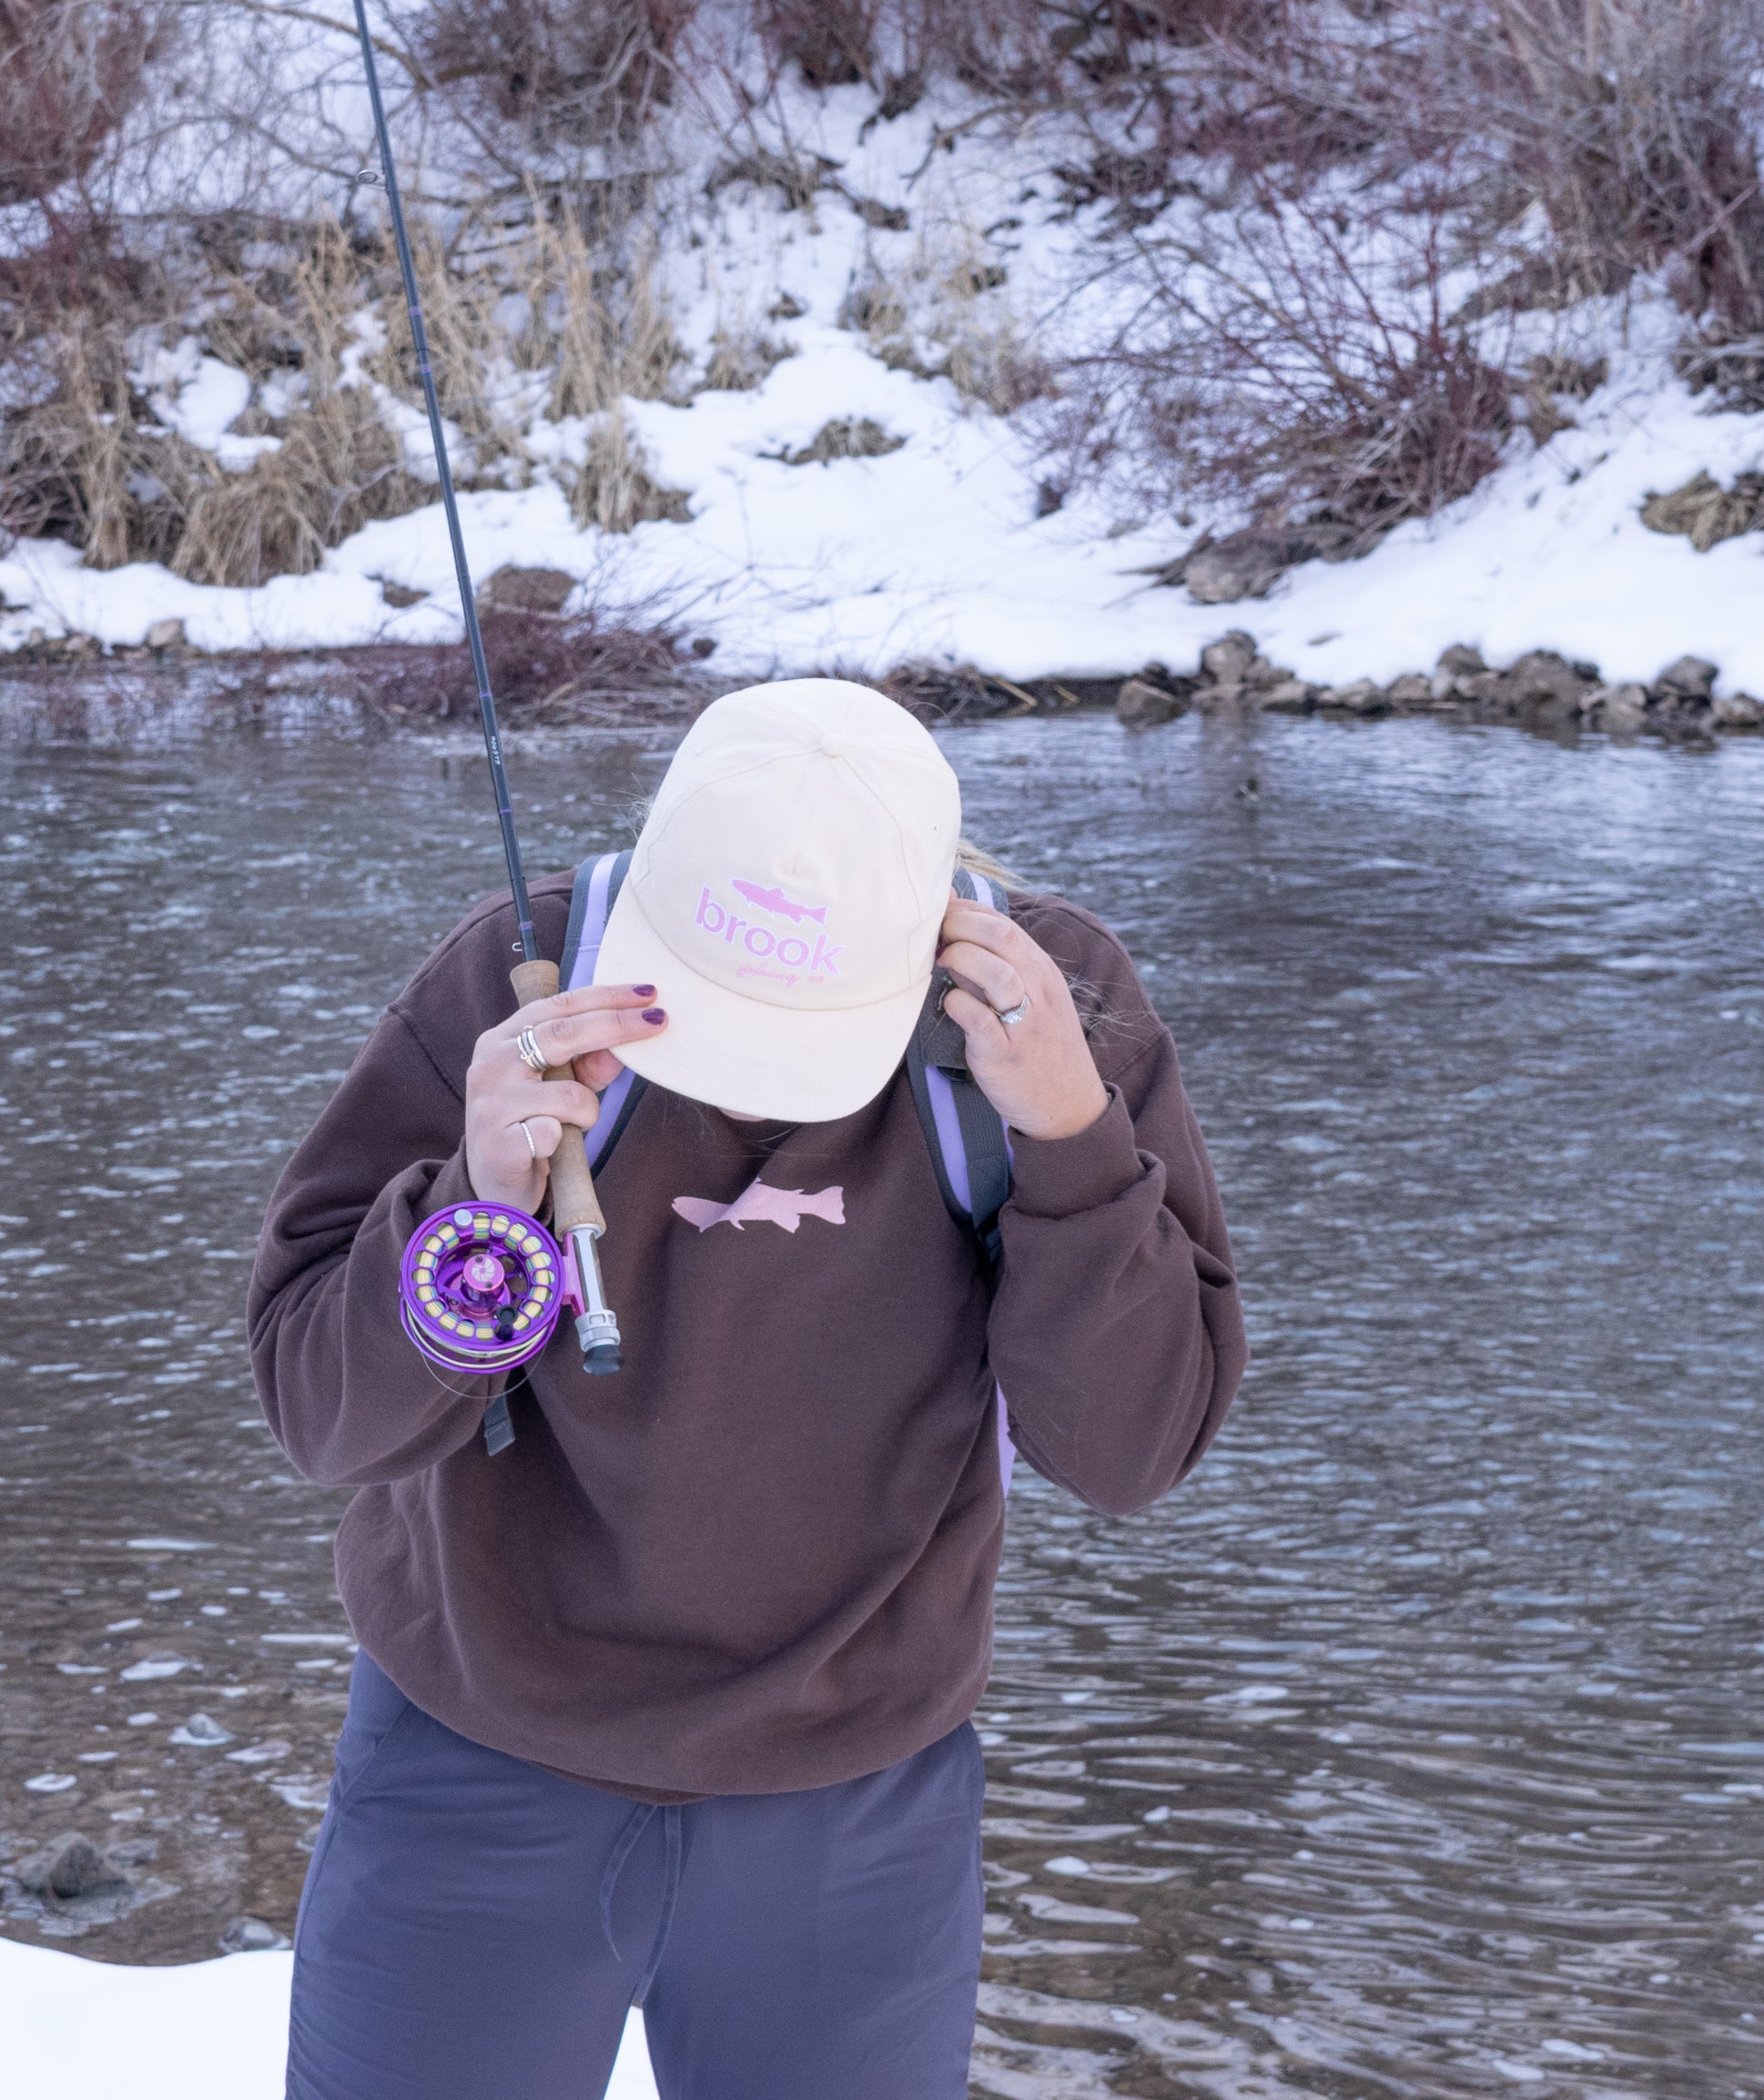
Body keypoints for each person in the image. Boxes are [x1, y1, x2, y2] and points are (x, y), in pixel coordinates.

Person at [249, 677, 1242, 2098]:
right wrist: (476, 1202)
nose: (759, 1084)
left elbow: (1129, 1454)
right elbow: (322, 1419)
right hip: (471, 1775)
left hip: (859, 1821)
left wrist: (1074, 1143)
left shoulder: (1047, 1017)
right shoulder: (515, 981)